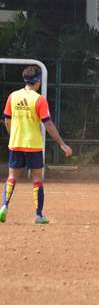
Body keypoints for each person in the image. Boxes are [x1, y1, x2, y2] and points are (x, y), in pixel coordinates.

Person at [1, 65, 72, 224]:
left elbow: (7, 120)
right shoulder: (39, 99)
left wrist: (13, 135)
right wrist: (62, 144)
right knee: (37, 179)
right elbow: (48, 124)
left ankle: (4, 205)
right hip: (33, 144)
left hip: (16, 143)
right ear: (38, 81)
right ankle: (39, 215)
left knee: (12, 177)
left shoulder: (13, 96)